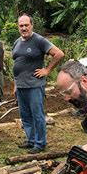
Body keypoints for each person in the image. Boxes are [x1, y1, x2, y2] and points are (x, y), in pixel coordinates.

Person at [13, 14, 64, 154]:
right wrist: (15, 84)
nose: (24, 28)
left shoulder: (39, 40)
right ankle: (31, 140)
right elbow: (17, 64)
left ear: (31, 25)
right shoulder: (17, 42)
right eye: (21, 25)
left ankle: (40, 143)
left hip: (34, 85)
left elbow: (59, 54)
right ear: (18, 27)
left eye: (26, 25)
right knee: (25, 116)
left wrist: (47, 70)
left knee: (37, 115)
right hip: (21, 85)